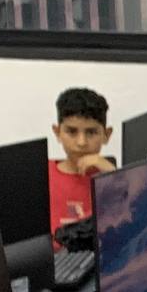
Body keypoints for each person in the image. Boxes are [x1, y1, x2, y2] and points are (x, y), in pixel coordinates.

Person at [47, 87, 113, 230]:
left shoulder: (110, 176)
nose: (81, 142)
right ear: (57, 132)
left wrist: (114, 175)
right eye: (71, 131)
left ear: (106, 135)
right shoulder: (42, 176)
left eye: (91, 132)